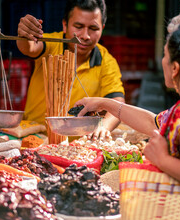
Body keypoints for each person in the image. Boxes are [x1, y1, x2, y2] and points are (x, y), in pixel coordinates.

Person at [74, 21, 180, 191]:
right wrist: (104, 103)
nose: (162, 61)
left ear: (175, 68)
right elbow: (152, 122)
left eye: (164, 55)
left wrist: (162, 159)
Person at [16, 0, 125, 140]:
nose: (85, 36)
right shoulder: (52, 44)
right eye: (78, 26)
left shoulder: (106, 62)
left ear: (102, 28)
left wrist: (103, 127)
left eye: (93, 28)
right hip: (34, 136)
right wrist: (25, 34)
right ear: (65, 25)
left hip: (77, 143)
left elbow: (117, 103)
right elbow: (30, 47)